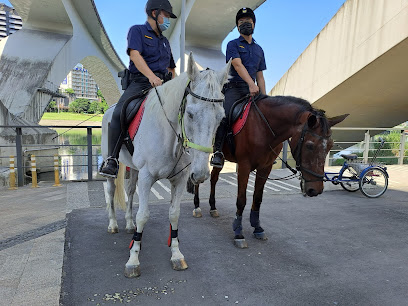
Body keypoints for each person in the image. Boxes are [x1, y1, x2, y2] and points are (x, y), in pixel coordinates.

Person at [100, 0, 177, 178]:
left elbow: (172, 69)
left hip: (163, 86)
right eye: (165, 15)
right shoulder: (138, 31)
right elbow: (135, 55)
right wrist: (151, 76)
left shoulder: (165, 41)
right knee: (119, 111)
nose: (167, 20)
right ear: (154, 13)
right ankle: (112, 159)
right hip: (140, 82)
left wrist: (175, 86)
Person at [210, 7, 267, 169]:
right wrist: (250, 83)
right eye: (241, 22)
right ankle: (218, 152)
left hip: (254, 90)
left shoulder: (259, 50)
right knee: (224, 115)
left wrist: (265, 97)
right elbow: (237, 64)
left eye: (248, 21)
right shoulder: (232, 44)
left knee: (267, 116)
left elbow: (260, 76)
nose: (245, 24)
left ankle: (264, 150)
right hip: (234, 89)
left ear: (254, 24)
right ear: (237, 27)